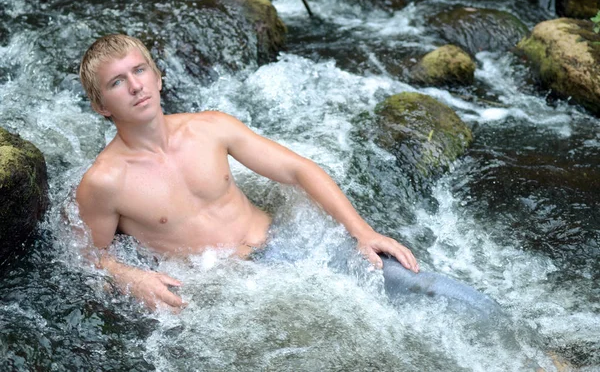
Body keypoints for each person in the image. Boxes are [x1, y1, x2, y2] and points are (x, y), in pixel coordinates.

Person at [76, 34, 419, 311]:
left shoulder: (211, 128)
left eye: (139, 71)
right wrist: (132, 277)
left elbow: (298, 169)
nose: (135, 86)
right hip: (225, 291)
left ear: (158, 77)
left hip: (288, 244)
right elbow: (89, 257)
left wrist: (363, 232)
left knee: (413, 284)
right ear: (101, 106)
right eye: (117, 82)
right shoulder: (105, 182)